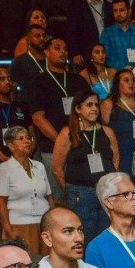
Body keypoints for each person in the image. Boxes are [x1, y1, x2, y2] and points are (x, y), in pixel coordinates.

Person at [48, 94, 118, 241]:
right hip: (81, 193)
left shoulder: (107, 131)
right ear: (78, 109)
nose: (94, 108)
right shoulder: (68, 133)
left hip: (106, 193)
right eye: (89, 105)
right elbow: (56, 168)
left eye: (96, 105)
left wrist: (110, 186)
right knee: (85, 237)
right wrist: (71, 191)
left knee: (107, 236)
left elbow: (115, 161)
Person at [0, 125, 54, 257]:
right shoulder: (5, 168)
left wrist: (53, 222)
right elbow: (0, 202)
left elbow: (49, 197)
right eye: (21, 139)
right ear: (11, 146)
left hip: (44, 224)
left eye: (28, 138)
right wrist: (8, 229)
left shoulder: (39, 166)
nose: (27, 141)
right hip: (20, 224)